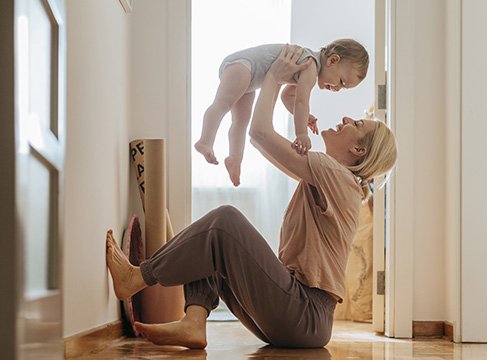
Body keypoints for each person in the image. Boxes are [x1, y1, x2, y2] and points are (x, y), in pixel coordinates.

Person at [106, 45, 397, 349]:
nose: (348, 118)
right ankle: (193, 322)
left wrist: (272, 77)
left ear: (358, 151)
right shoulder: (332, 179)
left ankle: (137, 277)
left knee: (224, 222)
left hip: (304, 314)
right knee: (210, 244)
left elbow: (259, 134)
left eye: (357, 124)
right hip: (301, 318)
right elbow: (264, 138)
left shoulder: (334, 174)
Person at [194, 39, 369, 186]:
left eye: (343, 88)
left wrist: (304, 117)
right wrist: (301, 133)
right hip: (242, 66)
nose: (338, 89)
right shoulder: (310, 65)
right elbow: (301, 101)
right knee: (222, 104)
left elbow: (288, 96)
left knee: (241, 121)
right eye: (341, 82)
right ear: (332, 60)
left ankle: (234, 158)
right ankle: (205, 141)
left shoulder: (306, 67)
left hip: (251, 78)